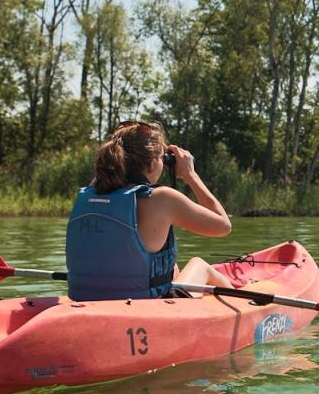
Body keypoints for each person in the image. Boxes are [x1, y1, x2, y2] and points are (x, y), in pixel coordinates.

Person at [65, 120, 236, 301]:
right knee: (199, 265)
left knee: (172, 267)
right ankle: (246, 308)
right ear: (152, 165)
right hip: (145, 307)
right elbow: (223, 226)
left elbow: (106, 176)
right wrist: (190, 175)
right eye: (162, 159)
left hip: (82, 299)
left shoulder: (88, 194)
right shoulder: (163, 199)